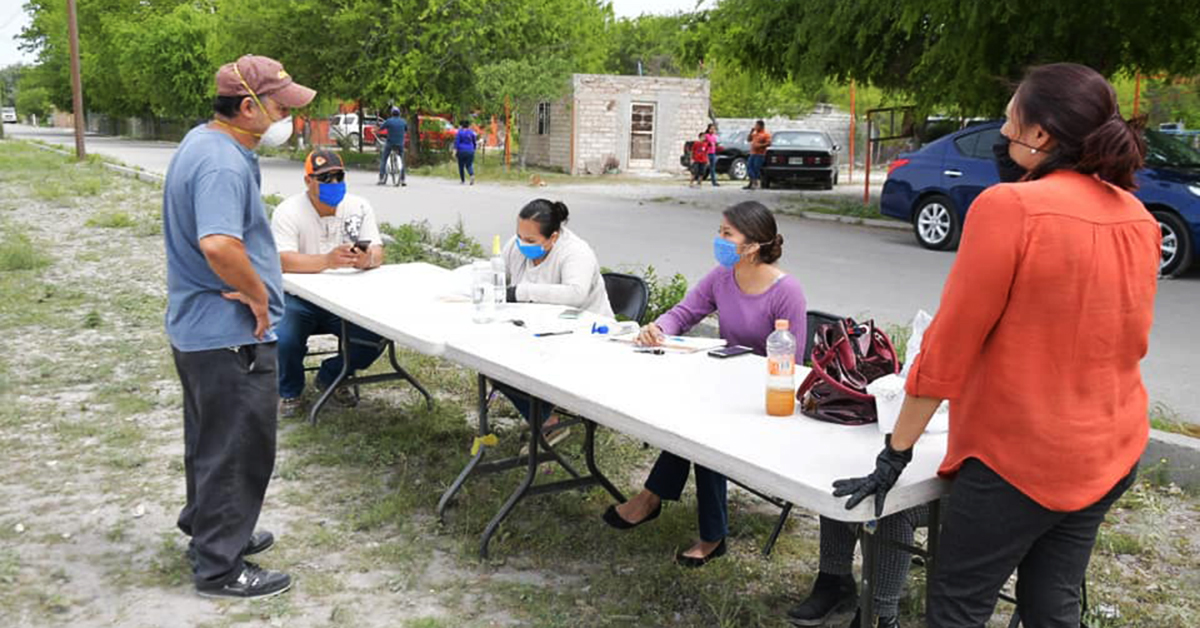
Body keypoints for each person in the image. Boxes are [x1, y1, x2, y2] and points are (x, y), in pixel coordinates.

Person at [831, 63, 1159, 628]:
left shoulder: (1011, 208)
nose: (1002, 136)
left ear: (1040, 135)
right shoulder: (1138, 217)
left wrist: (896, 454)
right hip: (1111, 448)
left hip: (1022, 460)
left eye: (1009, 122)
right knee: (1051, 604)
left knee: (958, 605)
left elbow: (948, 347)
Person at [162, 54, 314, 599]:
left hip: (201, 331)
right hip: (228, 334)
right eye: (279, 106)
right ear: (247, 107)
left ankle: (211, 533)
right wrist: (256, 296)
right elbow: (219, 244)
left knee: (210, 441)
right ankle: (220, 568)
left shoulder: (205, 143)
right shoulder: (222, 162)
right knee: (238, 448)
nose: (285, 118)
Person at [603, 201, 807, 567]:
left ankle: (702, 529)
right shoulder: (721, 277)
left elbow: (794, 362)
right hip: (725, 386)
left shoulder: (786, 291)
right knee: (692, 418)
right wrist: (659, 329)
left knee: (705, 430)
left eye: (727, 233)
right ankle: (655, 500)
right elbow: (684, 312)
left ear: (753, 245)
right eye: (720, 231)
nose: (719, 239)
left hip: (767, 400)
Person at [271, 149, 385, 418]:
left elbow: (379, 251)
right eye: (325, 178)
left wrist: (366, 259)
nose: (333, 183)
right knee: (285, 338)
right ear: (308, 180)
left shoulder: (358, 206)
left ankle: (332, 375)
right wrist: (327, 261)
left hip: (347, 297)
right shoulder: (288, 211)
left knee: (377, 337)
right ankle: (290, 391)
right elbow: (282, 260)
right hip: (299, 299)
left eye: (338, 176)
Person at [495, 199, 613, 448]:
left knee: (509, 363)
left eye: (530, 241)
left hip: (585, 334)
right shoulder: (516, 247)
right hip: (537, 330)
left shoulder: (576, 252)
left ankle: (547, 421)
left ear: (553, 237)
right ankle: (543, 415)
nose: (521, 245)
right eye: (519, 236)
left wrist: (521, 291)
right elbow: (495, 275)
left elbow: (574, 294)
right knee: (490, 362)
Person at [786, 506, 928, 628]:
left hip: (945, 486)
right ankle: (835, 579)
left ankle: (878, 615)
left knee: (891, 508)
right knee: (841, 486)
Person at [376, 107, 407, 186]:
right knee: (402, 160)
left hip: (390, 143)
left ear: (391, 113)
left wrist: (375, 130)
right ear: (399, 113)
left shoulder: (389, 121)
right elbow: (406, 129)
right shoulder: (403, 121)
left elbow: (380, 128)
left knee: (384, 159)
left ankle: (381, 178)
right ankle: (403, 179)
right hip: (400, 144)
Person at [746, 119, 771, 190]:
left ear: (761, 126)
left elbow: (769, 143)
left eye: (756, 125)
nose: (755, 127)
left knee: (756, 169)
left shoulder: (766, 134)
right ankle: (754, 182)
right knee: (749, 167)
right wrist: (751, 132)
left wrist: (760, 145)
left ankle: (754, 183)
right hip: (752, 153)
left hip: (760, 154)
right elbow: (748, 139)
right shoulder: (755, 133)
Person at [454, 119, 478, 185]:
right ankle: (472, 175)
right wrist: (474, 148)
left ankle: (462, 180)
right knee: (469, 165)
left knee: (461, 166)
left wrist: (455, 151)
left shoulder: (459, 132)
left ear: (461, 126)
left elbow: (457, 142)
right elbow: (474, 142)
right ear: (468, 126)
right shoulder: (471, 132)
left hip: (461, 151)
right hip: (470, 150)